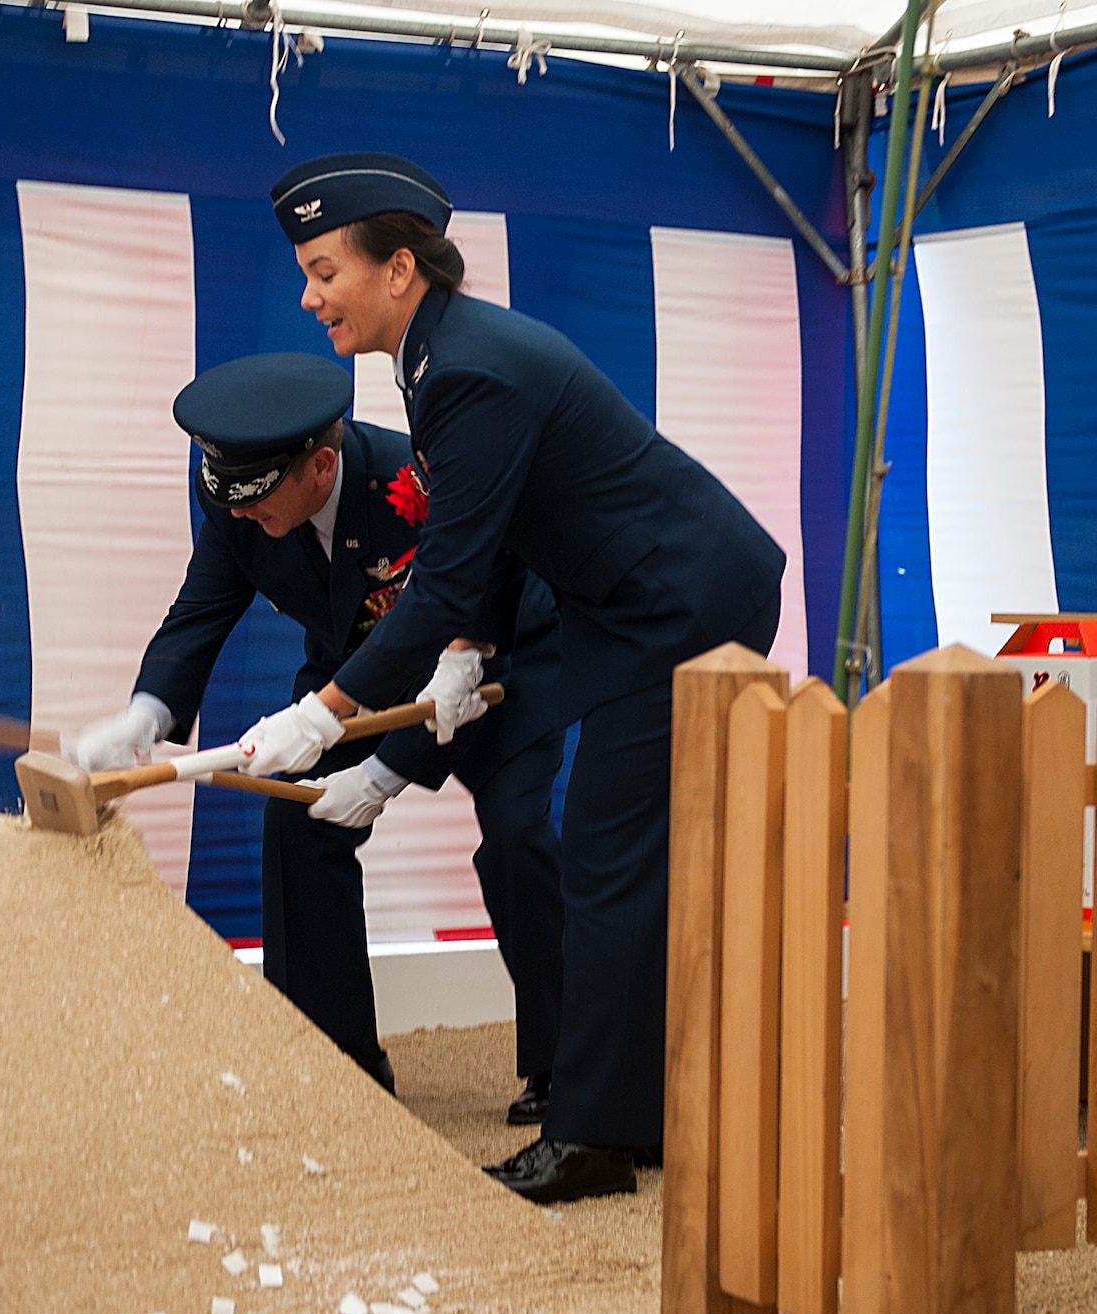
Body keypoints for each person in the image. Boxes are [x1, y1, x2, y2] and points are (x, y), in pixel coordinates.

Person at [237, 153, 785, 1203]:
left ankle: (592, 1134)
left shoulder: (465, 368)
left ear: (397, 268)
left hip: (672, 600)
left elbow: (440, 580)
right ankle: (637, 1108)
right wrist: (463, 653)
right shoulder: (441, 354)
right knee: (608, 850)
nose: (307, 296)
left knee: (599, 849)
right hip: (631, 600)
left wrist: (326, 713)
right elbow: (483, 543)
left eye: (322, 271)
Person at [67, 351, 567, 1103]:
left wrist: (383, 773)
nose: (241, 517)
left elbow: (464, 617)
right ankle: (335, 1059)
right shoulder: (240, 501)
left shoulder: (418, 487)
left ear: (322, 469)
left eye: (256, 504)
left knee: (518, 834)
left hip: (492, 664)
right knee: (298, 820)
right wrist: (148, 710)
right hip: (350, 677)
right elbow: (203, 606)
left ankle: (568, 1067)